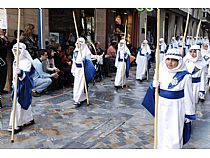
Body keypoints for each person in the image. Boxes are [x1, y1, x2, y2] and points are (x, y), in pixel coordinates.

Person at [142, 48, 195, 148]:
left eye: (174, 60)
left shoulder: (185, 76)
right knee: (161, 131)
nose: (170, 63)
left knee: (174, 133)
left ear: (179, 61)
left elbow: (189, 97)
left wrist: (188, 114)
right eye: (168, 59)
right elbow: (154, 93)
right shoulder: (160, 71)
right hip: (162, 106)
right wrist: (153, 86)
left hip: (176, 108)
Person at [8, 43, 35, 133]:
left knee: (21, 103)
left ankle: (16, 124)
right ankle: (26, 120)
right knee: (18, 104)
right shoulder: (15, 60)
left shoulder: (27, 62)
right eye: (14, 50)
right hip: (16, 85)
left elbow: (27, 76)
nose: (15, 52)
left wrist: (21, 73)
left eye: (17, 50)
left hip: (24, 86)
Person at [71, 37, 96, 106]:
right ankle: (80, 97)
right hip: (77, 70)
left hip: (82, 70)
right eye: (77, 43)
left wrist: (95, 57)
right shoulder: (75, 51)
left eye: (79, 43)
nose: (78, 45)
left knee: (81, 85)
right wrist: (73, 69)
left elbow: (90, 58)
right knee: (77, 85)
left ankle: (78, 100)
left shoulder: (85, 51)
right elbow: (74, 61)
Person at [0, 27, 8, 94]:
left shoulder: (4, 38)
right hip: (0, 58)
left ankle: (1, 88)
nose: (2, 31)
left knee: (4, 74)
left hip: (3, 57)